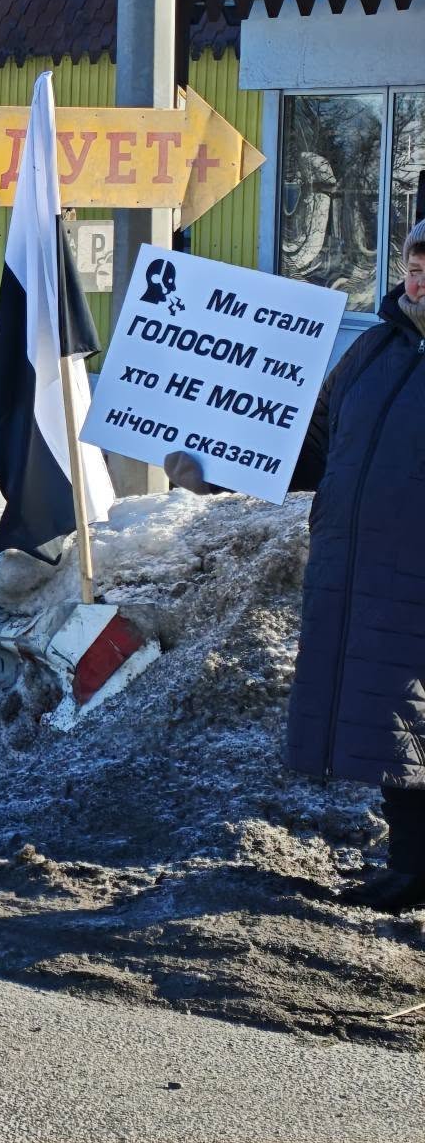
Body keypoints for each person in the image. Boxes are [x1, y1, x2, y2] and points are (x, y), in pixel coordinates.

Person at [169, 220, 425, 914]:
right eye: (414, 262)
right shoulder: (373, 351)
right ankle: (410, 866)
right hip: (363, 575)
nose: (418, 278)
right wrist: (215, 471)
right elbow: (309, 449)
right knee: (395, 725)